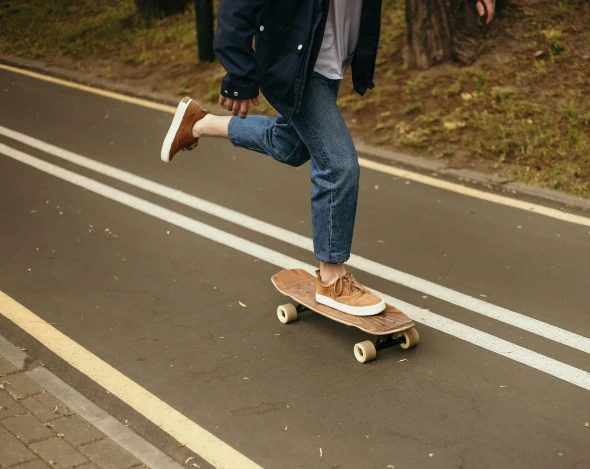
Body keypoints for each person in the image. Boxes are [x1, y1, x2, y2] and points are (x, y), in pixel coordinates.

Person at [161, 0, 496, 316]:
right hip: (295, 65)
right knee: (338, 166)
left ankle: (198, 124)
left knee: (289, 146)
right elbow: (236, 10)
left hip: (325, 59)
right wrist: (239, 74)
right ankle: (332, 279)